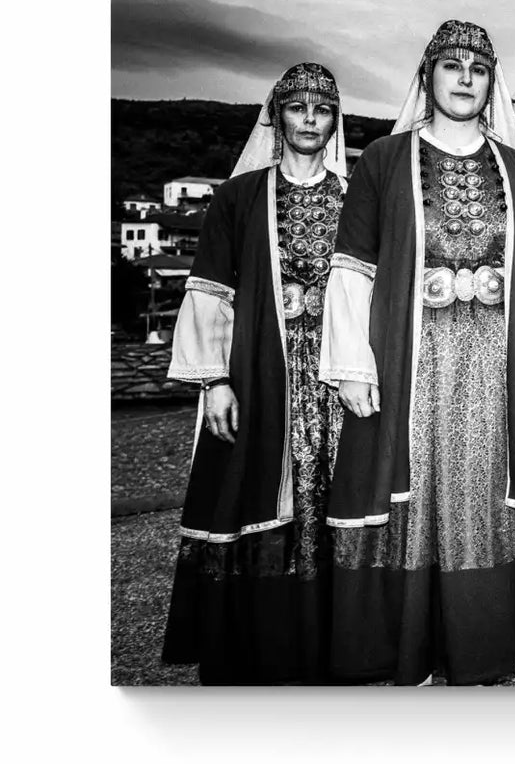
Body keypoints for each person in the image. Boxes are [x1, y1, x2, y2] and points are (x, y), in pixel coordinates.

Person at [319, 19, 515, 685]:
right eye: (452, 65)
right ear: (426, 76)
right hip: (414, 362)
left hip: (498, 360)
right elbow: (352, 268)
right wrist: (352, 364)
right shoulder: (383, 158)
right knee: (417, 490)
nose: (465, 78)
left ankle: (483, 642)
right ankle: (416, 644)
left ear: (493, 84)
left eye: (479, 68)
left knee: (488, 492)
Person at [162, 62, 349, 684]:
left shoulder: (356, 200)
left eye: (321, 110)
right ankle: (262, 640)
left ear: (334, 121)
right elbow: (212, 289)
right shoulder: (239, 197)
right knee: (255, 491)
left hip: (336, 372)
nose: (310, 120)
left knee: (338, 497)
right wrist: (214, 379)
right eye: (298, 108)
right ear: (278, 116)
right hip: (260, 371)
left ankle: (334, 639)